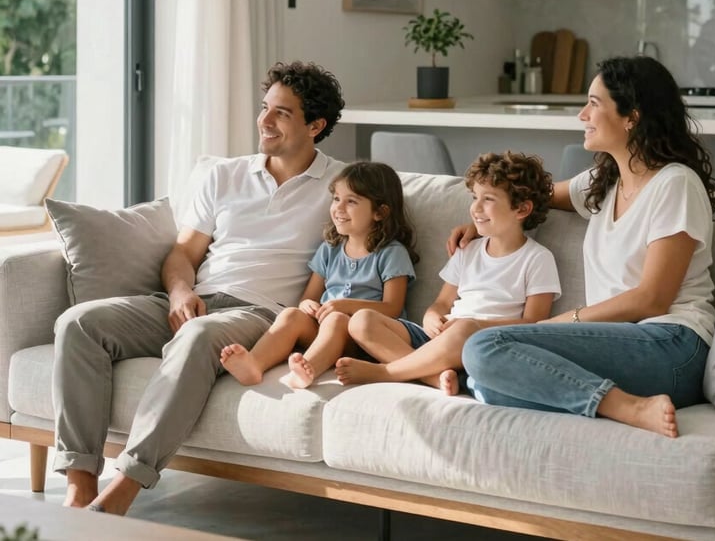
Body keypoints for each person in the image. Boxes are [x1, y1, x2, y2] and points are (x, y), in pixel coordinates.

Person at [53, 61, 346, 515]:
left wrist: (468, 235)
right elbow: (183, 255)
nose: (264, 121)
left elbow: (387, 233)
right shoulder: (224, 176)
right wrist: (179, 293)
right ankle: (80, 486)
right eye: (264, 108)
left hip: (258, 315)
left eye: (282, 113)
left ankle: (123, 491)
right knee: (79, 323)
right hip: (196, 300)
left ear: (316, 125)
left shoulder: (340, 187)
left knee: (195, 336)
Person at [453, 55, 715, 438]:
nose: (582, 115)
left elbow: (652, 299)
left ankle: (626, 406)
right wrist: (484, 221)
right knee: (485, 383)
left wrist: (564, 320)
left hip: (671, 346)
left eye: (594, 104)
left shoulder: (675, 184)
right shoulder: (604, 181)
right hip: (617, 342)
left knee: (483, 347)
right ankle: (614, 400)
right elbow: (528, 198)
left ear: (632, 116)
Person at [335, 152, 560, 395]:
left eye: (489, 199)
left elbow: (533, 324)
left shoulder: (538, 258)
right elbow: (442, 302)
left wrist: (472, 325)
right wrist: (431, 318)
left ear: (522, 209)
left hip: (480, 343)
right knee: (361, 320)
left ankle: (387, 371)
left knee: (464, 330)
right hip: (440, 337)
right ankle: (433, 377)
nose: (476, 207)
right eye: (475, 197)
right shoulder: (468, 249)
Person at [220, 161, 418, 389]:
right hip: (325, 330)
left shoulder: (391, 253)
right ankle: (254, 364)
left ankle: (308, 368)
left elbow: (392, 307)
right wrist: (308, 306)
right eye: (336, 199)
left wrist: (345, 306)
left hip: (364, 340)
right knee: (291, 315)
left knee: (336, 319)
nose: (339, 208)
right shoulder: (330, 249)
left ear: (380, 212)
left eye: (351, 201)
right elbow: (309, 297)